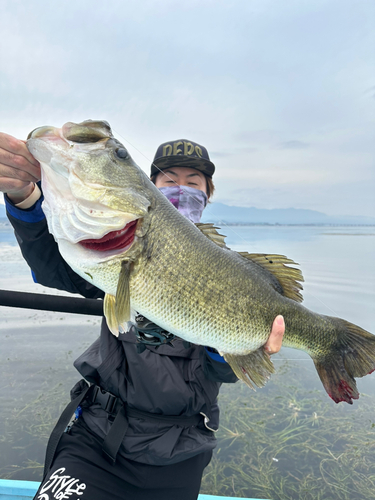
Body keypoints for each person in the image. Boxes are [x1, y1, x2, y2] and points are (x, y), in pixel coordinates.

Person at [0, 131, 285, 500]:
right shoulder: (117, 243)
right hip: (95, 438)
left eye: (193, 181)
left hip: (180, 449)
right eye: (169, 179)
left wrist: (233, 346)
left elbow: (221, 371)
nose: (182, 187)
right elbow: (54, 267)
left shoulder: (228, 271)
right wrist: (24, 198)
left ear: (208, 193)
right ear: (149, 187)